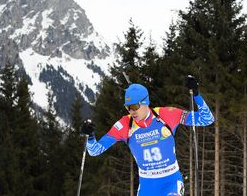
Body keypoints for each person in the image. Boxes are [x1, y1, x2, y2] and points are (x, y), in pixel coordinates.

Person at [81, 75, 214, 196]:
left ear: (145, 102)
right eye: (128, 107)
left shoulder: (166, 115)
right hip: (147, 186)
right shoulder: (124, 125)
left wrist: (196, 95)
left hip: (170, 182)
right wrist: (90, 136)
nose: (131, 111)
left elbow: (206, 119)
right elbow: (95, 151)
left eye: (134, 106)